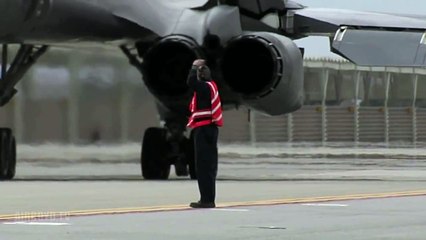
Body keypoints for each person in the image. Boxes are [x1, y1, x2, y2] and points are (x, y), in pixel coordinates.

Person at [187, 59, 223, 208]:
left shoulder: (203, 88)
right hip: (211, 129)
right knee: (209, 166)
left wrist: (194, 66)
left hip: (203, 129)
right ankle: (208, 198)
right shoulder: (212, 86)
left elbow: (190, 82)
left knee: (202, 166)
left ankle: (206, 200)